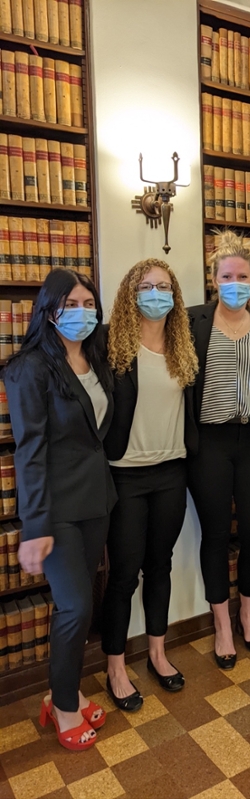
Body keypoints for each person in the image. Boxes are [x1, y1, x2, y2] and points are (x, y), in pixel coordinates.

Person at [4, 269, 116, 751]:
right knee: (75, 607)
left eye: (89, 303)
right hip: (57, 510)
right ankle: (64, 707)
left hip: (96, 501)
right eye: (72, 303)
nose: (83, 312)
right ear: (50, 310)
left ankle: (61, 693)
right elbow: (29, 449)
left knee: (84, 602)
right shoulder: (30, 367)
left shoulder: (94, 357)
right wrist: (34, 525)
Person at [101, 258, 199, 710]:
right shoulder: (112, 346)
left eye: (163, 286)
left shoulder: (185, 346)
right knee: (123, 575)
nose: (156, 293)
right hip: (125, 474)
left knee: (160, 565)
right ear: (130, 293)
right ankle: (116, 666)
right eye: (146, 286)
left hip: (171, 471)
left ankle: (158, 654)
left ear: (174, 296)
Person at [187, 231, 250, 671]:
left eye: (243, 275)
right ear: (214, 279)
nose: (235, 282)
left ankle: (247, 613)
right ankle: (222, 624)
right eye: (227, 275)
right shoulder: (192, 322)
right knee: (217, 536)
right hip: (210, 443)